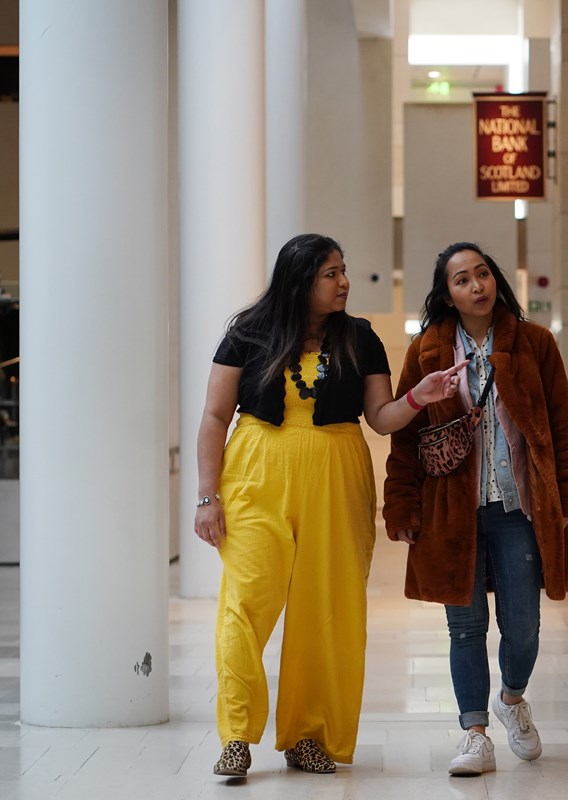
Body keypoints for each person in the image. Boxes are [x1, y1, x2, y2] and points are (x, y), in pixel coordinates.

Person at [194, 233, 467, 778]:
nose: (344, 282)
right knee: (244, 605)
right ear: (300, 279)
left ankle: (308, 736)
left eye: (344, 270)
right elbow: (214, 416)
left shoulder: (360, 338)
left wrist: (419, 398)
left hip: (338, 475)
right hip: (256, 473)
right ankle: (238, 736)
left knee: (329, 610)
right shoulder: (248, 332)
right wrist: (208, 496)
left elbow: (380, 417)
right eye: (331, 273)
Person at [383, 242, 568, 776]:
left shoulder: (535, 344)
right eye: (462, 279)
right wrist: (402, 505)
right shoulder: (427, 351)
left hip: (519, 506)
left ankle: (511, 699)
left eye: (483, 274)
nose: (476, 286)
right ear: (446, 293)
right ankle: (474, 733)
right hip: (451, 510)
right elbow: (405, 438)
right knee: (465, 626)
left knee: (525, 626)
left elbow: (562, 429)